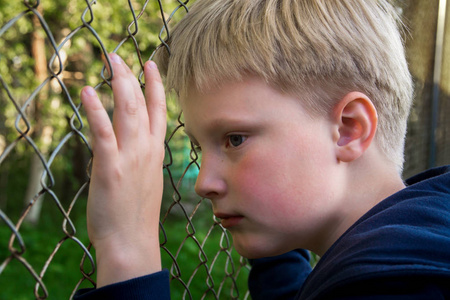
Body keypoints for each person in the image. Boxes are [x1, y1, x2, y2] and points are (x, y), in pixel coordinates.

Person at [75, 0, 450, 299]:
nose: (204, 182)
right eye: (198, 146)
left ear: (349, 130)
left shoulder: (400, 286)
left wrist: (127, 250)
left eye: (235, 139)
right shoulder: (416, 237)